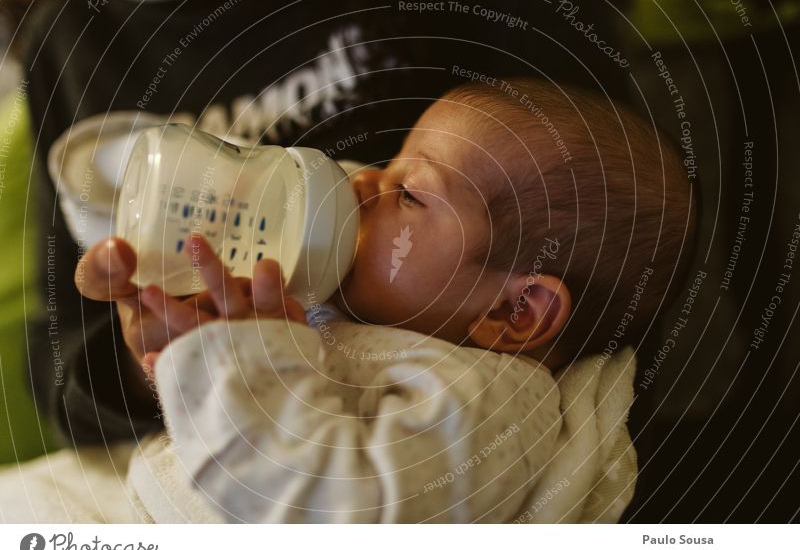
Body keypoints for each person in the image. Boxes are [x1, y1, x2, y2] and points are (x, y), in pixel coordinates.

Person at [0, 0, 633, 447]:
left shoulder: (458, 414)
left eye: (407, 192)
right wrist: (159, 364)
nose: (357, 175)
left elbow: (611, 227)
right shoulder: (67, 42)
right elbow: (59, 364)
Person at [75, 77, 697, 522]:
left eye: (411, 194)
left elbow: (333, 507)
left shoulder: (489, 409)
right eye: (389, 163)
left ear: (516, 312)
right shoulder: (384, 307)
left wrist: (235, 360)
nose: (364, 179)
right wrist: (173, 340)